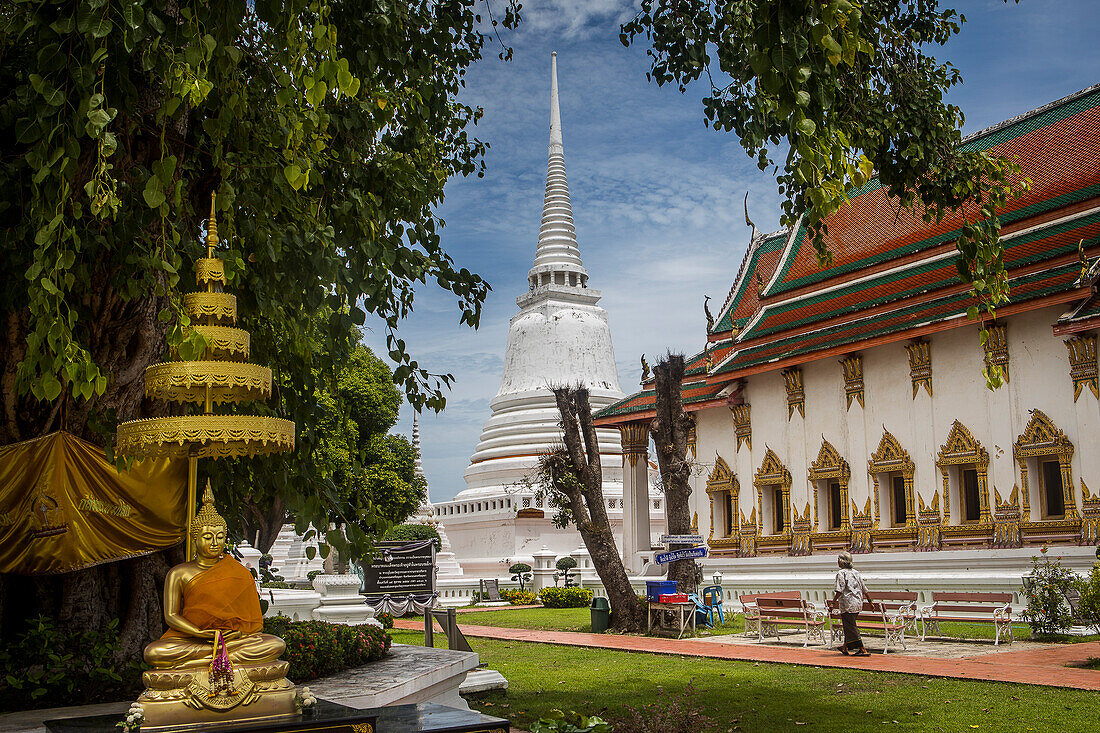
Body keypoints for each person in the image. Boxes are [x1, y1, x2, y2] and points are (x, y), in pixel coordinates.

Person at [833, 551, 872, 656]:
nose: (837, 563)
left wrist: (833, 602)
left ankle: (862, 649)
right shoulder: (856, 572)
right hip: (858, 602)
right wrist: (870, 601)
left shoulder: (841, 573)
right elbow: (864, 589)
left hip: (848, 603)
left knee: (851, 626)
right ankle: (845, 647)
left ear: (842, 562)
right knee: (848, 625)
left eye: (838, 560)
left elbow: (839, 590)